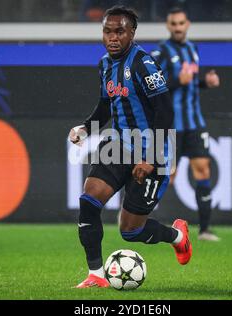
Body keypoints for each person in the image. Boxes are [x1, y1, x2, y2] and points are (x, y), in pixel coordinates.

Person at [68, 5, 192, 288]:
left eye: (119, 31)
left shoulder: (143, 64)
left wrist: (151, 158)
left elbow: (165, 111)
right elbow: (104, 106)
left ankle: (177, 237)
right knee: (89, 201)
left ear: (132, 33)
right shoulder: (104, 65)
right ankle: (96, 276)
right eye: (107, 31)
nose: (112, 37)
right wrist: (86, 128)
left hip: (154, 151)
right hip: (120, 146)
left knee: (131, 232)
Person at [152, 7, 221, 241]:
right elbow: (154, 87)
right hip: (172, 126)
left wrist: (205, 83)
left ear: (188, 24)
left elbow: (189, 83)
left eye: (181, 23)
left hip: (195, 124)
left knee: (203, 170)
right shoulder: (161, 52)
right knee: (167, 176)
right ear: (168, 26)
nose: (178, 27)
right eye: (174, 24)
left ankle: (205, 230)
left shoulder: (193, 49)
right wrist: (175, 81)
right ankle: (137, 217)